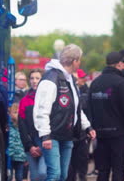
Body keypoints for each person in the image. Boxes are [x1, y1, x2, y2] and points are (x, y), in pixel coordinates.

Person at [33, 44, 96, 181]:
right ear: (74, 61)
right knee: (54, 174)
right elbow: (41, 109)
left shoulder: (70, 80)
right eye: (79, 60)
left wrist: (87, 126)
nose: (79, 64)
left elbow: (76, 108)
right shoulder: (50, 79)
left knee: (63, 175)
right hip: (52, 135)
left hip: (67, 135)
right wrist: (45, 135)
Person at [88, 51, 124, 181]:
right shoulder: (121, 83)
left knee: (102, 171)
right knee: (118, 171)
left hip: (100, 134)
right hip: (118, 134)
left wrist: (93, 128)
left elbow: (89, 109)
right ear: (120, 64)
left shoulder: (95, 83)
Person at [19, 68, 46, 181]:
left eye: (37, 78)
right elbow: (22, 126)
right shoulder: (24, 101)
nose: (34, 81)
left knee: (43, 173)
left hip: (46, 143)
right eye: (32, 78)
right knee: (34, 177)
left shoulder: (47, 99)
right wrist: (30, 146)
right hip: (30, 144)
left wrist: (42, 146)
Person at [67, 69, 90, 181]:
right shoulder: (69, 90)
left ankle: (82, 176)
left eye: (78, 78)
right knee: (70, 162)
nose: (77, 81)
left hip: (82, 131)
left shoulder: (86, 91)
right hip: (69, 132)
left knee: (82, 159)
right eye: (75, 79)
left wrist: (89, 128)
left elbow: (82, 110)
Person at [8, 103, 27, 181]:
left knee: (19, 176)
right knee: (9, 175)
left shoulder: (23, 127)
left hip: (20, 156)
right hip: (10, 155)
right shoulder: (9, 126)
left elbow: (26, 142)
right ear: (10, 113)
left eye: (19, 113)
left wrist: (26, 157)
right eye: (15, 112)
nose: (17, 115)